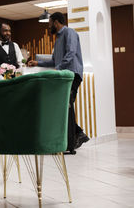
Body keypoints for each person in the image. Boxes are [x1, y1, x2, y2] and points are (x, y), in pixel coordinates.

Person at [28, 12, 89, 153]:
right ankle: (77, 136)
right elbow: (55, 61)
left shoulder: (70, 33)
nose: (49, 27)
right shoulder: (57, 39)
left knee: (66, 104)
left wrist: (58, 68)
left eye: (49, 24)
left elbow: (71, 53)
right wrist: (38, 63)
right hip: (64, 75)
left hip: (72, 74)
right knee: (64, 105)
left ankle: (72, 142)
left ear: (56, 22)